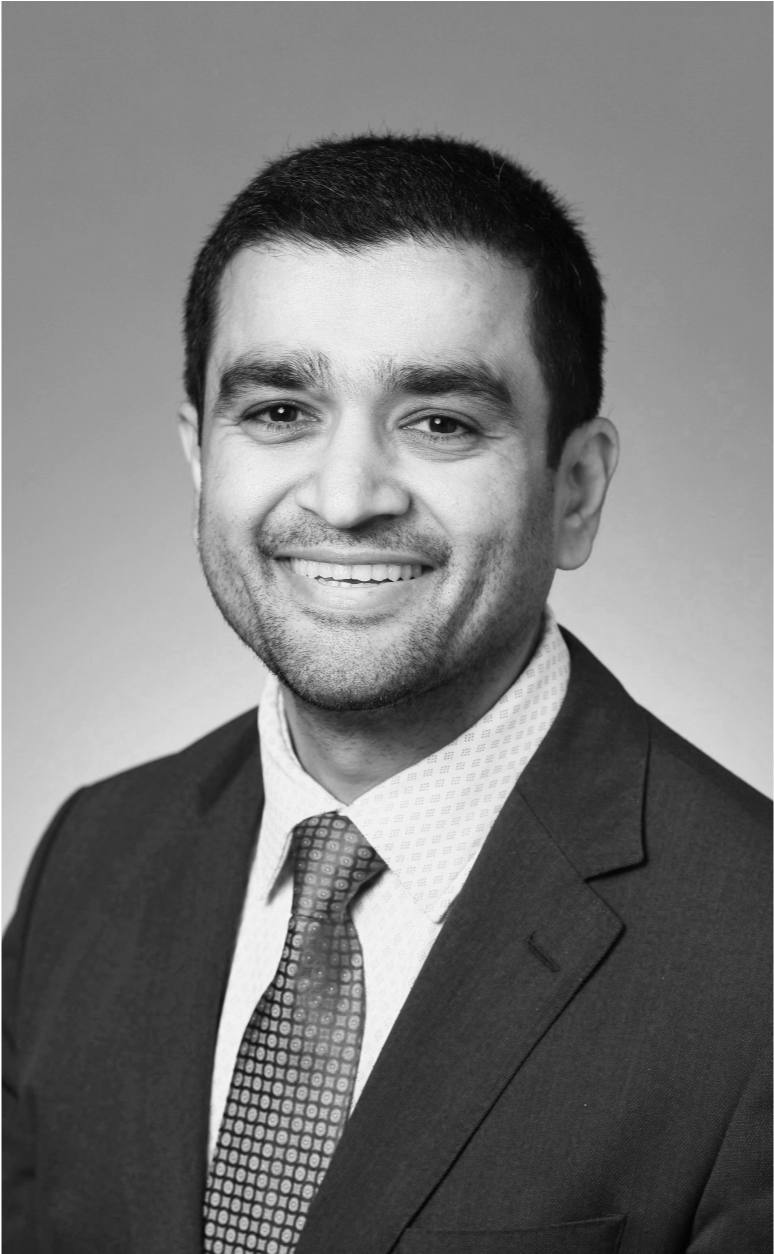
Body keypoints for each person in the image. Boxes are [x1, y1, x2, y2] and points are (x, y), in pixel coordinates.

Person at [3, 134, 773, 1254]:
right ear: (199, 458)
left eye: (441, 421)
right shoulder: (90, 858)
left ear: (575, 488)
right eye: (277, 411)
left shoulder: (754, 951)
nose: (348, 495)